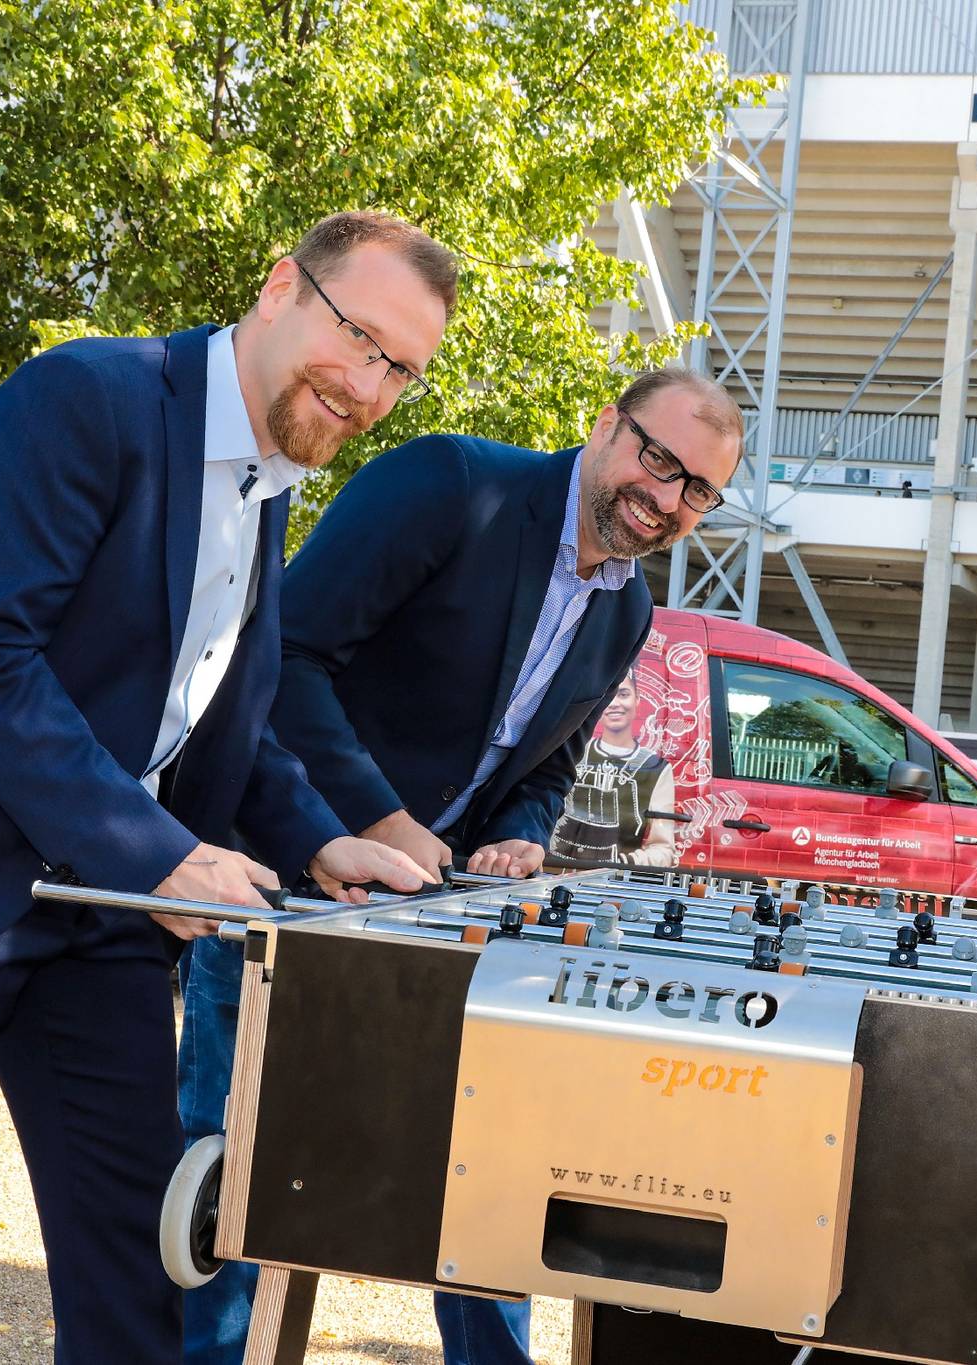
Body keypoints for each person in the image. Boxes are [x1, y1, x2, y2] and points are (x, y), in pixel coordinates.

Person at [0, 209, 443, 1364]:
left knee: (135, 1271)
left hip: (100, 919)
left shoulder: (267, 480)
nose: (370, 388)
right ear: (281, 288)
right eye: (360, 340)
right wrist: (160, 854)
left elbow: (212, 710)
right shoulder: (86, 397)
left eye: (401, 372)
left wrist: (323, 840)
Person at [179, 366, 744, 1365]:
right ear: (607, 421)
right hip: (280, 883)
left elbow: (550, 763)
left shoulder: (626, 611)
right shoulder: (451, 484)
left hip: (438, 920)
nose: (667, 499)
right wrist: (382, 818)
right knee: (243, 1183)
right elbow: (282, 656)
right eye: (658, 459)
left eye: (698, 489)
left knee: (492, 1181)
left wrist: (524, 833)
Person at [550, 668, 681, 866]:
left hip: (610, 884)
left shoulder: (656, 768)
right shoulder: (574, 751)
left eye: (624, 694)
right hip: (550, 874)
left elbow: (663, 849)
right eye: (610, 695)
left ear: (638, 699)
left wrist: (620, 863)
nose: (615, 703)